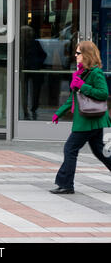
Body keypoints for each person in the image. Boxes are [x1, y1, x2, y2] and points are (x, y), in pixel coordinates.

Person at [50, 40, 111, 194]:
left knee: (70, 149)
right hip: (89, 119)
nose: (75, 55)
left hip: (88, 120)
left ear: (87, 55)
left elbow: (103, 94)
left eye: (78, 53)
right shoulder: (81, 72)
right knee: (99, 151)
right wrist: (59, 113)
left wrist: (83, 86)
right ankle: (66, 183)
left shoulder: (96, 73)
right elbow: (73, 98)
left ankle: (66, 184)